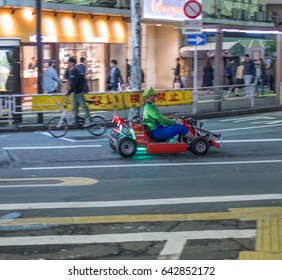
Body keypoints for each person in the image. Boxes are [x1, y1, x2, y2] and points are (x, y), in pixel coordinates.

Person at [65, 56, 91, 126]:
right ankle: (75, 120)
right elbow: (66, 77)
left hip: (80, 91)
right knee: (74, 107)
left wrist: (69, 92)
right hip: (75, 92)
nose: (68, 63)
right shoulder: (70, 71)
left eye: (69, 62)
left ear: (72, 63)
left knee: (83, 106)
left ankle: (89, 120)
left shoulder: (76, 71)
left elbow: (75, 83)